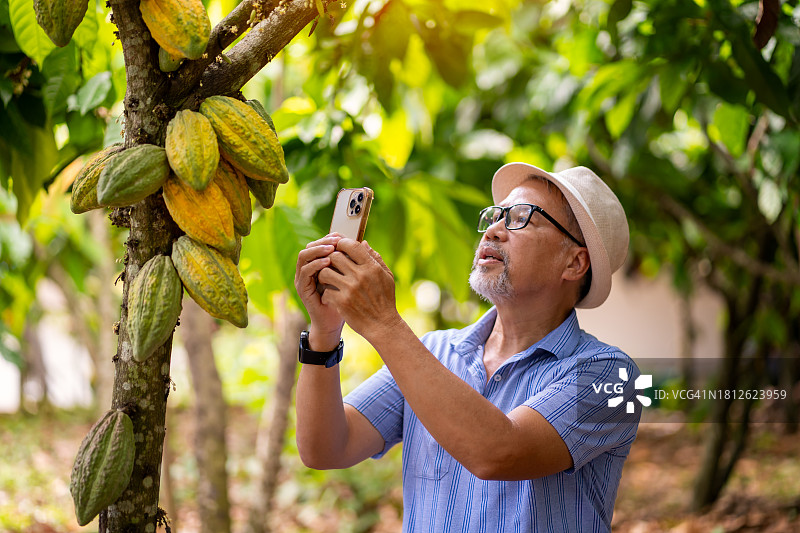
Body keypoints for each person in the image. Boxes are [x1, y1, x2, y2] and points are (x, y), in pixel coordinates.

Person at [294, 162, 641, 532]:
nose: (493, 230)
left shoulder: (615, 377)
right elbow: (325, 448)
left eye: (521, 218)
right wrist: (324, 333)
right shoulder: (433, 351)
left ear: (574, 262)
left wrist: (383, 322)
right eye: (495, 215)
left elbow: (498, 453)